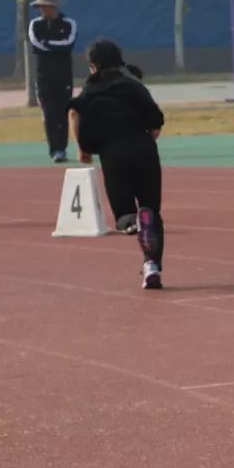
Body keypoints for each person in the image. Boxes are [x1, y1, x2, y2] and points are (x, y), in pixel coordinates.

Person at [67, 40, 166, 289]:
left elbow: (73, 113)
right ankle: (151, 265)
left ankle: (133, 222)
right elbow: (155, 124)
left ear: (93, 66)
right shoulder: (134, 85)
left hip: (113, 155)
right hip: (144, 150)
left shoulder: (89, 91)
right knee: (152, 212)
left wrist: (81, 148)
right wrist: (147, 132)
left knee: (123, 214)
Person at [28, 0, 78, 163]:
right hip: (44, 77)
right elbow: (36, 45)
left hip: (64, 76)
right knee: (49, 113)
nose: (42, 9)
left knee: (63, 112)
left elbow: (68, 44)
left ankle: (62, 148)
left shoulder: (69, 23)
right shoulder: (35, 24)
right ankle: (55, 149)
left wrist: (48, 44)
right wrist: (55, 47)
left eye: (46, 6)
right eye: (40, 6)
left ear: (53, 6)